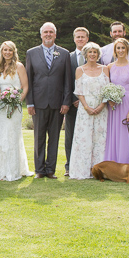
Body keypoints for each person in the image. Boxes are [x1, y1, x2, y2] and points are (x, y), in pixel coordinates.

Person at [26, 23, 72, 179]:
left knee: (54, 137)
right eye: (45, 32)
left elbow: (67, 80)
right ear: (41, 35)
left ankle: (50, 169)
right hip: (38, 103)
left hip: (57, 103)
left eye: (51, 32)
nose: (48, 34)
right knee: (39, 137)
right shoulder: (31, 53)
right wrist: (30, 103)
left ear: (55, 35)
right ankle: (39, 170)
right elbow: (29, 80)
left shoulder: (64, 53)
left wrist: (66, 102)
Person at [0, 41, 32, 181]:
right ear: (1, 51)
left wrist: (17, 102)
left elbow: (25, 87)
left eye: (10, 50)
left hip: (15, 107)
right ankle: (0, 170)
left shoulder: (19, 66)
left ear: (14, 52)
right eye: (5, 50)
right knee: (1, 135)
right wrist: (2, 101)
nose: (7, 52)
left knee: (12, 136)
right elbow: (0, 89)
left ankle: (13, 170)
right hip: (1, 107)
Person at [68, 42, 110, 179]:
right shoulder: (80, 70)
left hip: (101, 109)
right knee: (84, 138)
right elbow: (79, 91)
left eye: (95, 52)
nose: (92, 54)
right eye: (90, 52)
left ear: (98, 54)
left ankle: (100, 170)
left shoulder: (105, 69)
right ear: (85, 54)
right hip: (85, 108)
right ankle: (82, 170)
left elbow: (107, 90)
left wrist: (101, 106)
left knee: (100, 139)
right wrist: (86, 106)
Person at [103, 38, 129, 165]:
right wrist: (110, 100)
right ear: (115, 50)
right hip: (114, 106)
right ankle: (113, 163)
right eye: (118, 48)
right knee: (114, 134)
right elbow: (107, 86)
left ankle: (128, 163)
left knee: (126, 133)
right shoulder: (109, 67)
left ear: (127, 49)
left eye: (123, 48)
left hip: (127, 103)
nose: (120, 50)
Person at [64, 27, 89, 176]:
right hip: (72, 104)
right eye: (78, 37)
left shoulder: (94, 55)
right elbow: (66, 80)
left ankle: (87, 165)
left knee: (87, 135)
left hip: (90, 104)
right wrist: (74, 99)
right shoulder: (68, 56)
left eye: (83, 37)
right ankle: (69, 166)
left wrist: (85, 100)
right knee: (70, 136)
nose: (80, 39)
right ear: (74, 39)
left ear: (87, 39)